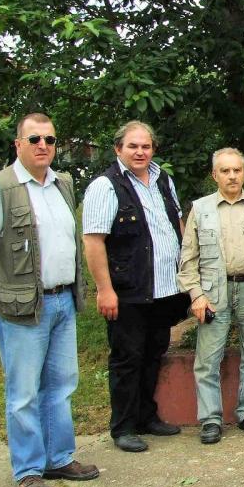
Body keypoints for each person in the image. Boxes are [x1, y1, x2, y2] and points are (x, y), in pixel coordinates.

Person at [0, 113, 98, 487]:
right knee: (23, 392)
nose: (43, 146)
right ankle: (28, 470)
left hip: (63, 302)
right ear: (18, 144)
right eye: (34, 139)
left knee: (61, 385)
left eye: (50, 139)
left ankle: (57, 457)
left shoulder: (62, 185)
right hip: (23, 309)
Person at [82, 121, 190, 453]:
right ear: (118, 149)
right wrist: (105, 289)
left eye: (145, 146)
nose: (140, 152)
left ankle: (147, 417)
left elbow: (177, 225)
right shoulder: (105, 186)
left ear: (152, 149)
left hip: (163, 288)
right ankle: (124, 426)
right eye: (132, 146)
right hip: (128, 289)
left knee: (154, 353)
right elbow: (93, 241)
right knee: (127, 358)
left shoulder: (163, 180)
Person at [177, 147, 244, 445]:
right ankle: (211, 419)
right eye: (225, 171)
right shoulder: (201, 208)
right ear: (215, 175)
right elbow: (188, 259)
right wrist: (196, 295)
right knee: (207, 359)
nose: (232, 176)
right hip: (214, 293)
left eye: (237, 170)